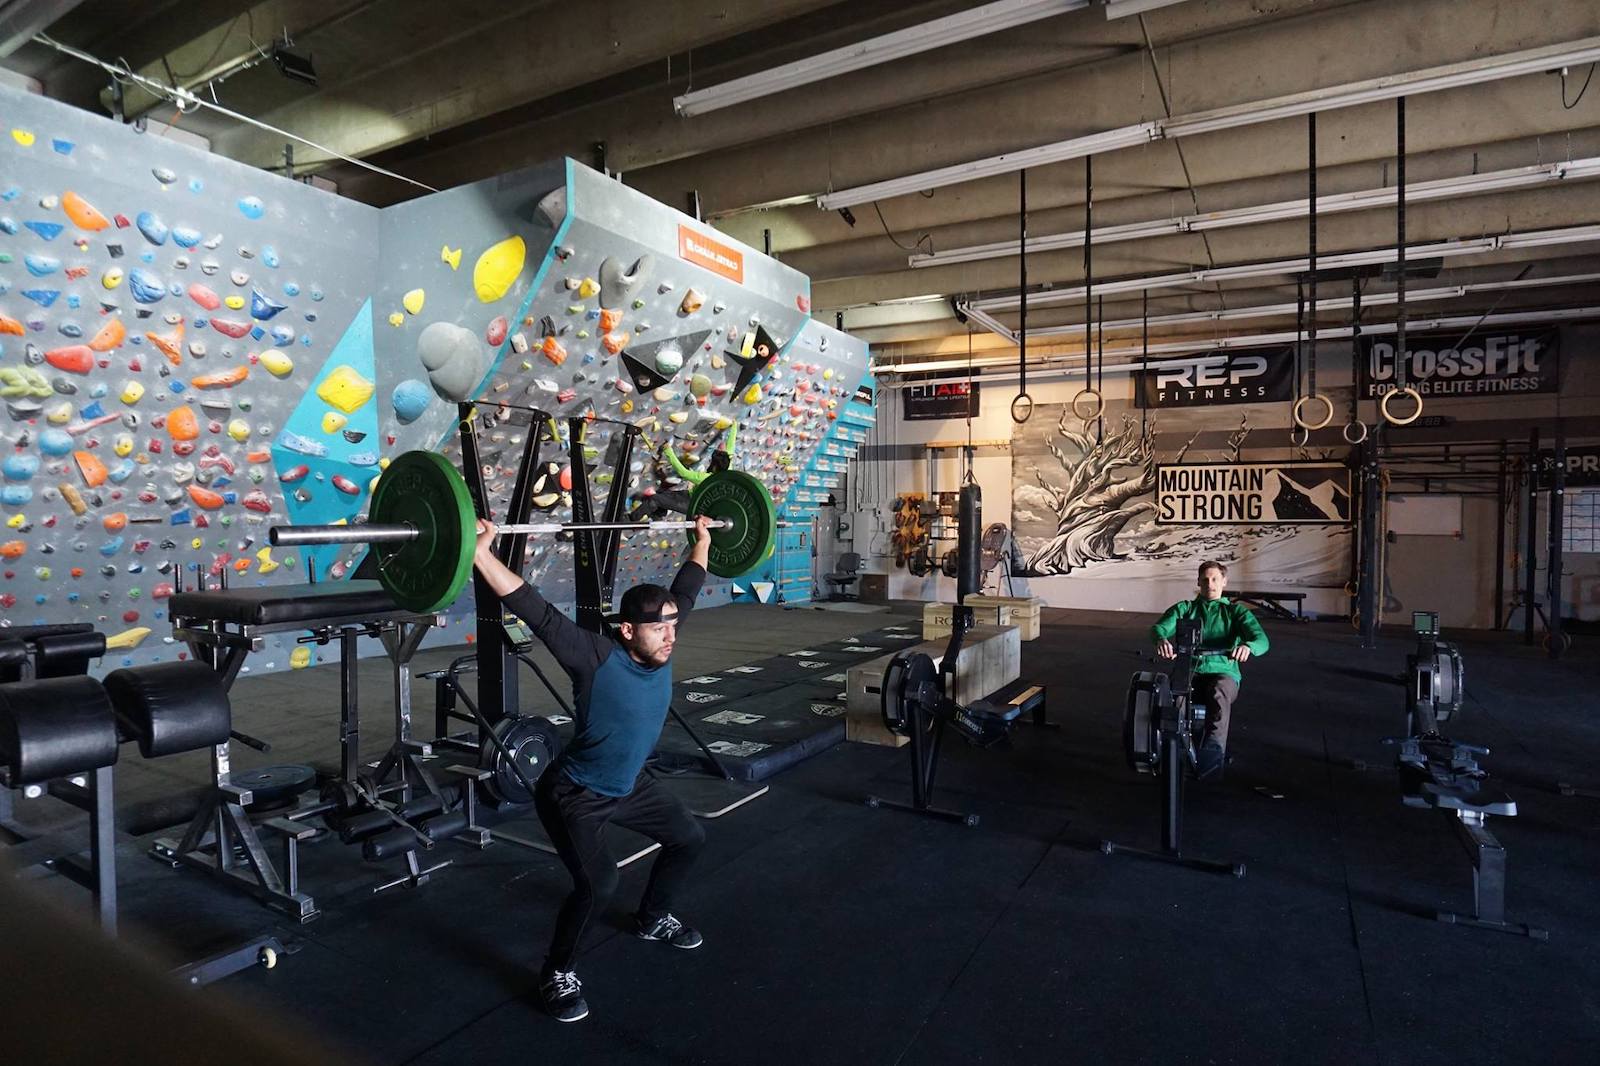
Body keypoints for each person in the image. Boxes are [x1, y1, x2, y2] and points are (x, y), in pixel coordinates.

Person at [472, 515, 715, 1024]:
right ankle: (556, 971)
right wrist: (479, 553)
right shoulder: (595, 656)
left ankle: (651, 918)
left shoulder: (662, 636)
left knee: (689, 838)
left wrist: (703, 540)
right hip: (574, 793)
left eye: (673, 624)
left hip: (629, 785)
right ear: (628, 630)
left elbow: (687, 585)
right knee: (598, 885)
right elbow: (533, 609)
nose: (671, 635)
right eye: (658, 627)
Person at [1149, 559, 1269, 781]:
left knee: (1218, 691)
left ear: (1224, 581)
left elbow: (1262, 640)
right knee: (1174, 696)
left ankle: (1213, 752)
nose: (1210, 583)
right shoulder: (1185, 608)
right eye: (1205, 579)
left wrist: (1247, 647)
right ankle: (1173, 751)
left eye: (1215, 579)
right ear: (1198, 582)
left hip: (1223, 673)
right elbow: (1159, 628)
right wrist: (1161, 640)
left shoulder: (1236, 612)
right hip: (1190, 670)